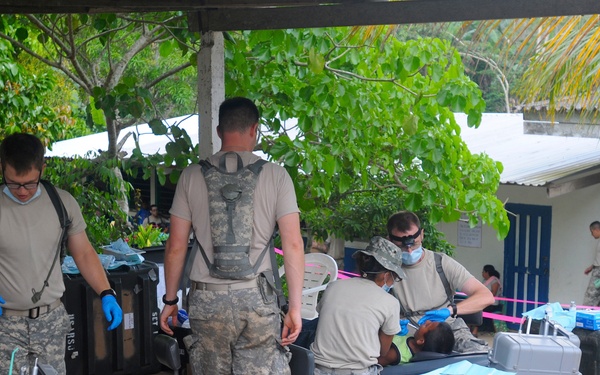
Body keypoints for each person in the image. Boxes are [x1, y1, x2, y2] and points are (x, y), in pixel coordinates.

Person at [159, 97, 305, 374]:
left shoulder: (191, 176)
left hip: (207, 301)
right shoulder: (276, 176)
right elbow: (293, 244)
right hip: (257, 300)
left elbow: (176, 247)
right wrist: (294, 308)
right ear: (255, 129)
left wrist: (170, 300)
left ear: (218, 131)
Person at [0, 133, 123, 373]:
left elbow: (85, 253)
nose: (22, 191)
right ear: (2, 168)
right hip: (5, 325)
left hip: (51, 322)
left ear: (42, 169)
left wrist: (106, 292)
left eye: (30, 182)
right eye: (14, 183)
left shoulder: (62, 203)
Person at [386, 211, 494, 353]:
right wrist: (390, 323)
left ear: (422, 234)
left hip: (447, 330)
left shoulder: (441, 263)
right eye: (403, 246)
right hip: (406, 334)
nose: (410, 250)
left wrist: (450, 310)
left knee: (478, 354)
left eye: (414, 243)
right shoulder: (385, 270)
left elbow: (486, 296)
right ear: (389, 240)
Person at [311, 236, 404, 375]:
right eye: (394, 277)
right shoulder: (390, 303)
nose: (393, 282)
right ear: (386, 275)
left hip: (316, 369)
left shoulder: (334, 286)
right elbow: (383, 351)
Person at [379, 321, 455, 366]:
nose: (427, 321)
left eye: (426, 325)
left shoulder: (395, 354)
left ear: (421, 341)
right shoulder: (414, 339)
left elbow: (375, 361)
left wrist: (388, 330)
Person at [471, 264, 503, 336]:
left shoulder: (494, 281)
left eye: (483, 272)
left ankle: (475, 330)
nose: (482, 273)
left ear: (487, 272)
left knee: (478, 310)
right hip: (485, 302)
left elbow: (493, 293)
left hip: (492, 304)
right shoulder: (485, 280)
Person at [583, 221, 600, 306]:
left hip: (598, 274)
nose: (592, 234)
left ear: (596, 230)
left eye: (592, 232)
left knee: (591, 296)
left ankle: (586, 313)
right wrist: (592, 267)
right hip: (596, 269)